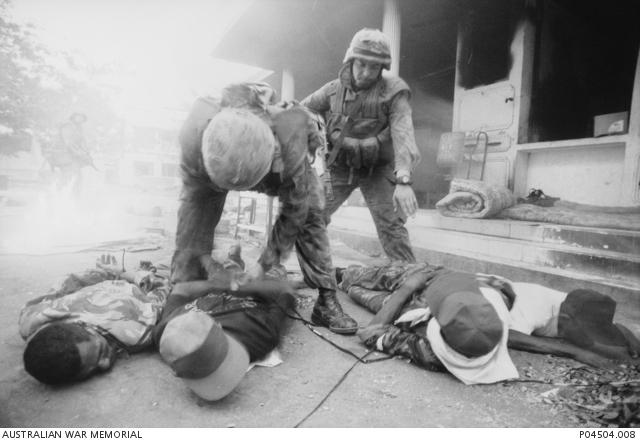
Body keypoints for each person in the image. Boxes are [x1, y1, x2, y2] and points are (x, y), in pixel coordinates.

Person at [173, 81, 357, 334]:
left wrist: (264, 265)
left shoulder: (291, 131)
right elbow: (193, 207)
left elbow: (296, 209)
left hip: (277, 168)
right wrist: (202, 260)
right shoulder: (194, 131)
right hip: (210, 174)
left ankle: (326, 299)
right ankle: (184, 291)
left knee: (311, 211)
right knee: (193, 219)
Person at [338, 263, 640, 381]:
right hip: (433, 279)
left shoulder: (573, 304)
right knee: (359, 275)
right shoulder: (531, 307)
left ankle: (339, 281)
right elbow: (507, 333)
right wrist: (574, 352)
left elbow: (374, 330)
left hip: (428, 296)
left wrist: (629, 346)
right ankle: (339, 274)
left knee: (360, 293)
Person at [301, 28, 421, 263]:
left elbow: (403, 133)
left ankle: (409, 279)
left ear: (382, 68)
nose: (366, 73)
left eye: (374, 67)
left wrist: (403, 179)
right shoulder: (332, 89)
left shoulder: (394, 92)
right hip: (340, 166)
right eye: (361, 64)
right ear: (351, 61)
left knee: (391, 226)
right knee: (310, 216)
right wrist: (316, 135)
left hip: (377, 168)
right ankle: (315, 273)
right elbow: (304, 108)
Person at [154, 246, 296, 401]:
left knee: (228, 272)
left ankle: (234, 260)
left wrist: (224, 285)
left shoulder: (165, 331)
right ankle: (236, 261)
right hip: (255, 293)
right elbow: (285, 291)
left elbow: (181, 288)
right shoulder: (257, 336)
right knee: (274, 274)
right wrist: (246, 287)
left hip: (219, 289)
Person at [19, 254, 170, 385]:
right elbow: (159, 288)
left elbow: (161, 287)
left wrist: (111, 272)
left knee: (185, 257)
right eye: (92, 370)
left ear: (88, 331)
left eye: (101, 351)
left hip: (145, 278)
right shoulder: (135, 336)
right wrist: (123, 273)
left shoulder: (135, 330)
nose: (104, 364)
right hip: (142, 280)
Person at [45, 112, 93, 195]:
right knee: (70, 177)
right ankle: (60, 196)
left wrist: (86, 153)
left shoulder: (78, 128)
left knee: (77, 178)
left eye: (82, 117)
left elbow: (81, 142)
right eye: (78, 116)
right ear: (73, 116)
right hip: (65, 156)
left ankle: (70, 197)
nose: (80, 118)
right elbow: (68, 143)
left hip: (72, 157)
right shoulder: (68, 126)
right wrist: (80, 154)